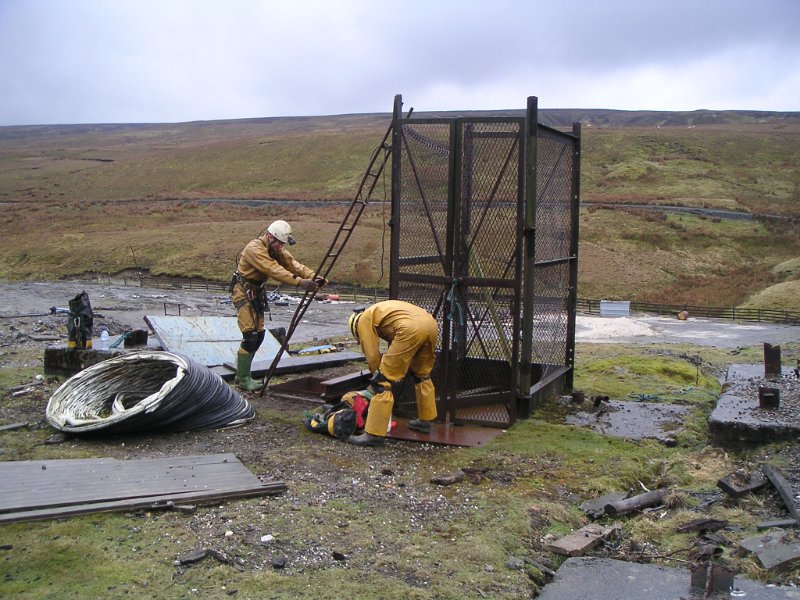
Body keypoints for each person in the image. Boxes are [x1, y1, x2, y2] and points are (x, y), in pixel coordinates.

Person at [230, 220, 325, 391]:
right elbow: (273, 269)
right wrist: (300, 282)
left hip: (257, 293)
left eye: (283, 244)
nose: (281, 247)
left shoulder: (275, 249)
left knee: (259, 335)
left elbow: (292, 264)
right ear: (270, 237)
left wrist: (312, 276)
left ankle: (242, 375)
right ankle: (243, 378)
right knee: (250, 336)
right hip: (243, 292)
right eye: (279, 243)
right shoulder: (255, 249)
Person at [346, 300, 438, 446]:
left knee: (381, 381)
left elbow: (372, 356)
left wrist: (377, 375)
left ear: (355, 327)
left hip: (410, 329)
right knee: (422, 375)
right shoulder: (380, 309)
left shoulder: (363, 320)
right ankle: (425, 421)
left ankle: (374, 434)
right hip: (431, 324)